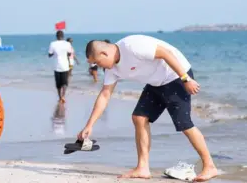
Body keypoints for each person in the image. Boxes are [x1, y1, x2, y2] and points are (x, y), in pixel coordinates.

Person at [79, 35, 218, 182]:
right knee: (139, 117)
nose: (98, 66)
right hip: (156, 82)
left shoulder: (132, 46)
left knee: (184, 123)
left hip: (176, 76)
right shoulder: (112, 69)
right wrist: (89, 125)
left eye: (97, 62)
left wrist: (186, 79)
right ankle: (142, 168)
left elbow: (166, 53)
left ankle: (210, 166)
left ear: (104, 53)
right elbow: (105, 95)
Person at [48, 30, 72, 103]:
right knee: (65, 83)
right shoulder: (67, 44)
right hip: (65, 66)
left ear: (56, 36)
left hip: (57, 66)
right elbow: (69, 54)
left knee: (58, 84)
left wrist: (54, 54)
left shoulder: (52, 44)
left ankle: (60, 97)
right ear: (63, 36)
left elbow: (49, 54)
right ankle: (63, 96)